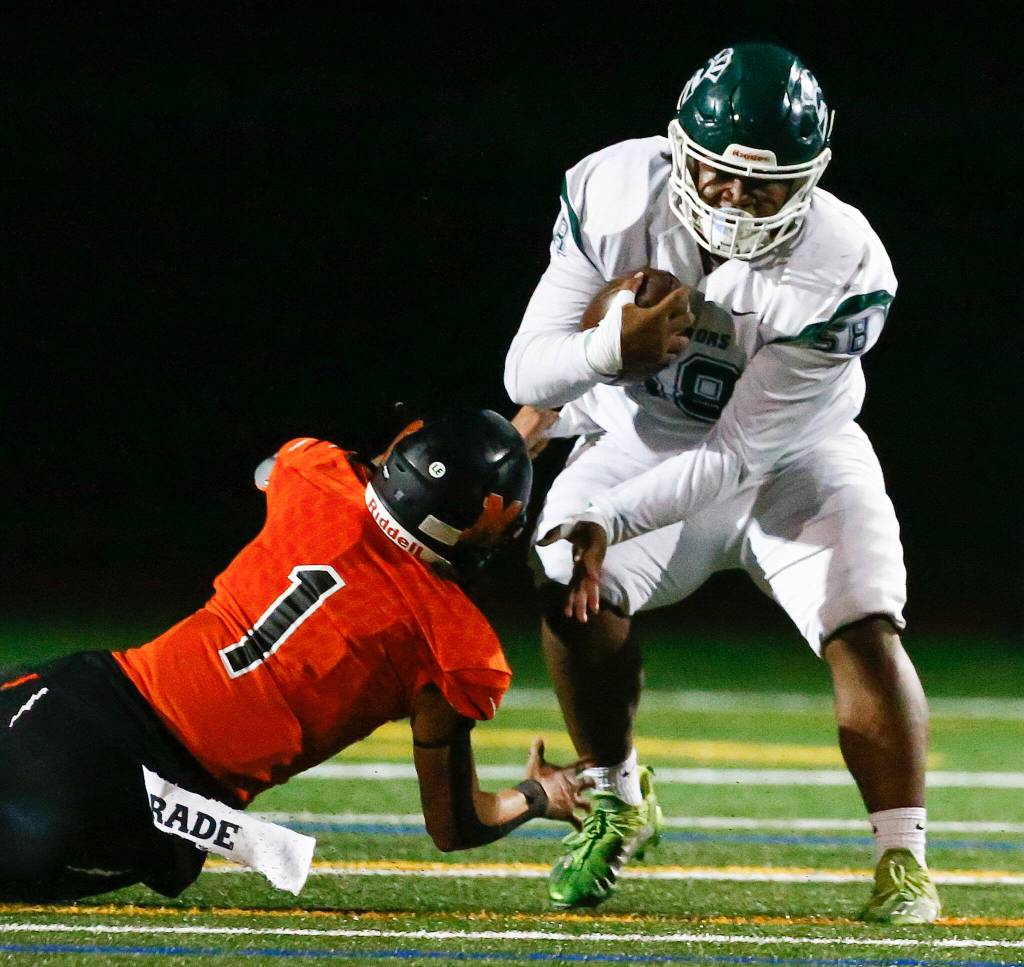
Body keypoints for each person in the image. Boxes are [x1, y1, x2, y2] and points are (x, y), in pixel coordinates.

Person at [505, 43, 940, 924]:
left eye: (765, 185)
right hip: (646, 439)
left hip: (793, 457)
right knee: (562, 577)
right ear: (679, 150)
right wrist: (607, 351)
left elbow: (735, 457)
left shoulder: (844, 262)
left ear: (809, 178)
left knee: (863, 621)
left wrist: (606, 519)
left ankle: (903, 856)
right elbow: (528, 370)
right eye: (718, 174)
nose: (736, 197)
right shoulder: (615, 190)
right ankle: (617, 797)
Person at [0, 410, 590, 903]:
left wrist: (428, 463)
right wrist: (540, 794)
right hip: (155, 798)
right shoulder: (456, 647)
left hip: (83, 698)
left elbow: (289, 470)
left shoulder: (316, 478)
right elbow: (457, 824)